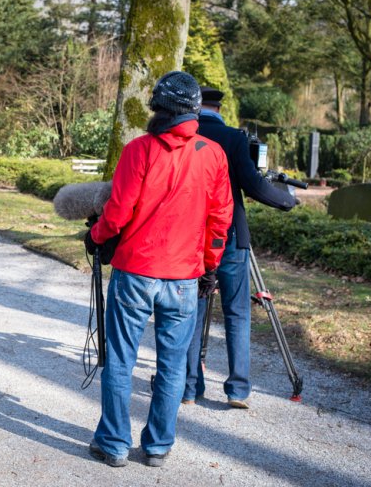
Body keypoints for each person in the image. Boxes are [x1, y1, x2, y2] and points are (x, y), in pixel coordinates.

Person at [84, 72, 233, 468]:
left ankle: (114, 444)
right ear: (195, 109)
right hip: (184, 276)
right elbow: (220, 219)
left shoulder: (140, 150)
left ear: (157, 108)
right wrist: (210, 266)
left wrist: (97, 236)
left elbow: (118, 212)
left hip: (136, 270)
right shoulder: (213, 154)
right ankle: (157, 446)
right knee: (171, 365)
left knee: (120, 358)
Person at [182, 87, 297, 409]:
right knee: (237, 312)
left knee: (193, 311)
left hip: (190, 237)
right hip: (231, 235)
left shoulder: (183, 134)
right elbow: (254, 184)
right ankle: (237, 390)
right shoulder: (234, 138)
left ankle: (189, 387)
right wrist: (287, 200)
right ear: (219, 107)